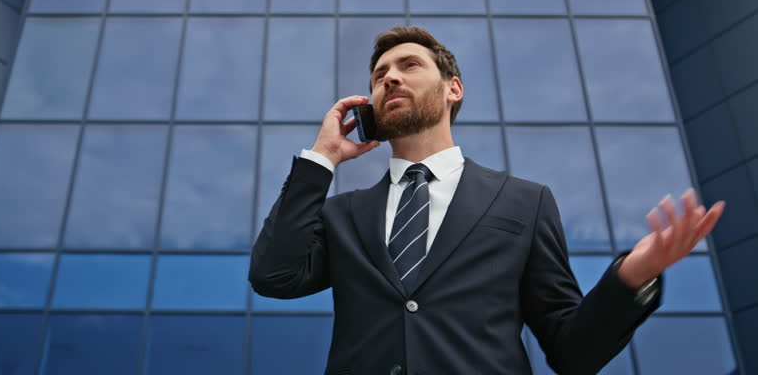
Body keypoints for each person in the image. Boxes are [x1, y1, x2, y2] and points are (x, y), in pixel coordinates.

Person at [248, 26, 724, 375]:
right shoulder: (343, 213)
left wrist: (630, 279)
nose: (389, 78)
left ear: (453, 89)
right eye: (378, 76)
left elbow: (571, 351)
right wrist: (322, 159)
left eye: (409, 66)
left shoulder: (525, 203)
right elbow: (274, 276)